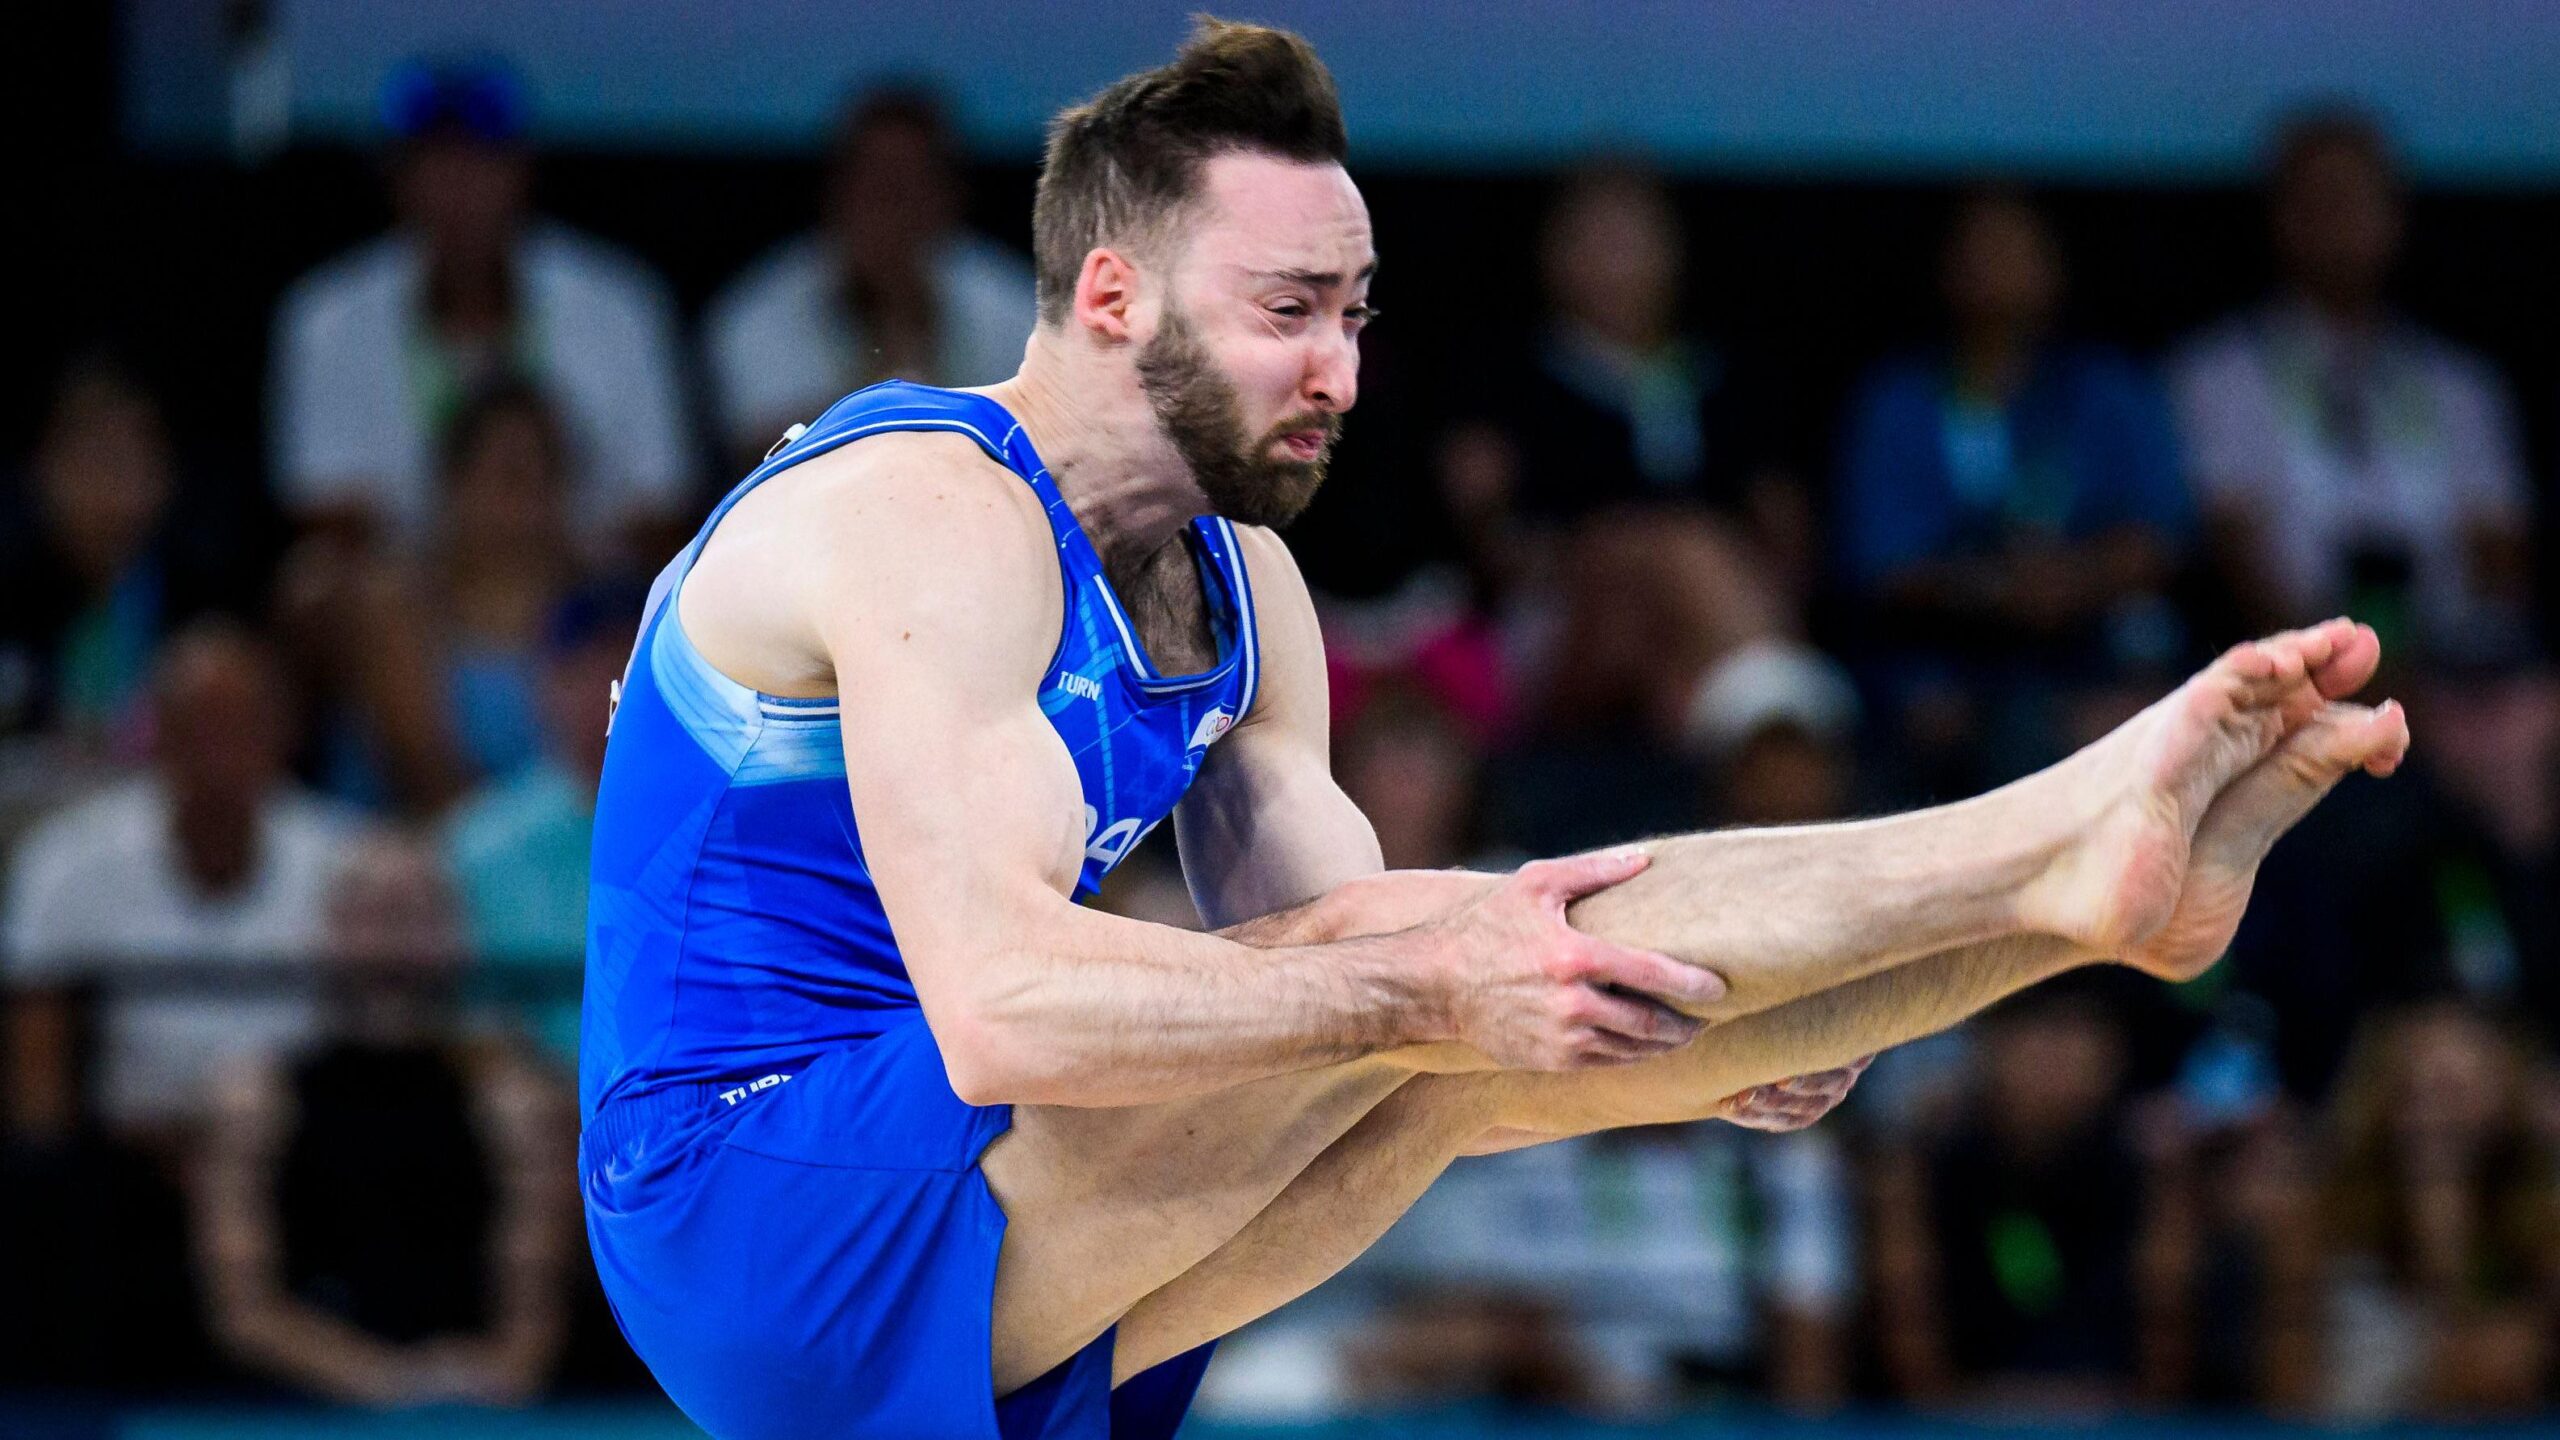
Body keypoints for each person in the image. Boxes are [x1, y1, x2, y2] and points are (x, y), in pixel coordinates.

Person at [579, 21, 2411, 1440]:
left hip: (933, 1210)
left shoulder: (1247, 594)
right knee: (1429, 990)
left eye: (1357, 315)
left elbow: (1408, 950)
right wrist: (1455, 985)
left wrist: (1699, 1022)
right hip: (740, 1199)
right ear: (1113, 296)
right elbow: (1004, 1005)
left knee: (1464, 1023)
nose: (1344, 372)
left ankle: (2080, 903)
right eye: (1289, 310)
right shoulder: (930, 512)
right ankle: (2062, 829)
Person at [196, 833, 572, 1406]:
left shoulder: (515, 1100)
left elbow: (534, 1308)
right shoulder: (255, 1097)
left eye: (417, 912)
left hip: (476, 1405)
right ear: (325, 932)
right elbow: (242, 1307)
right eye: (370, 912)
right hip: (299, 1405)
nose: (393, 936)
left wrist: (484, 1378)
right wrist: (379, 1382)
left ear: (458, 937)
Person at [267, 55, 691, 563]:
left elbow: (660, 512)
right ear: (396, 179)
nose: (460, 189)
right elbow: (327, 519)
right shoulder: (326, 318)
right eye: (436, 165)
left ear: (522, 170)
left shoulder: (620, 306)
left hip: (581, 591)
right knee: (314, 584)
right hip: (412, 600)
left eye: (481, 162)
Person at [2170, 113, 2535, 665]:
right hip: (2284, 668)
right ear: (2279, 215)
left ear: (2395, 215)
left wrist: (2451, 663)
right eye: (2319, 200)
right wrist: (2333, 664)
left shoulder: (2461, 385)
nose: (2339, 221)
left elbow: (2500, 551)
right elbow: (2229, 550)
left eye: (2358, 199)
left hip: (2451, 675)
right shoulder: (2216, 376)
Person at [2, 622, 367, 1145]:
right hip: (123, 1163)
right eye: (198, 730)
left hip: (306, 1167)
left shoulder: (347, 861)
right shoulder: (67, 863)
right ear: (157, 737)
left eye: (240, 729)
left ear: (285, 734)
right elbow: (36, 1079)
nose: (218, 757)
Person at [704, 86, 1038, 473]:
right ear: (835, 190)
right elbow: (763, 461)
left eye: (910, 184)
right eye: (876, 183)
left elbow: (1040, 451)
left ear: (951, 194)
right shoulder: (757, 313)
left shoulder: (1017, 305)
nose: (891, 206)